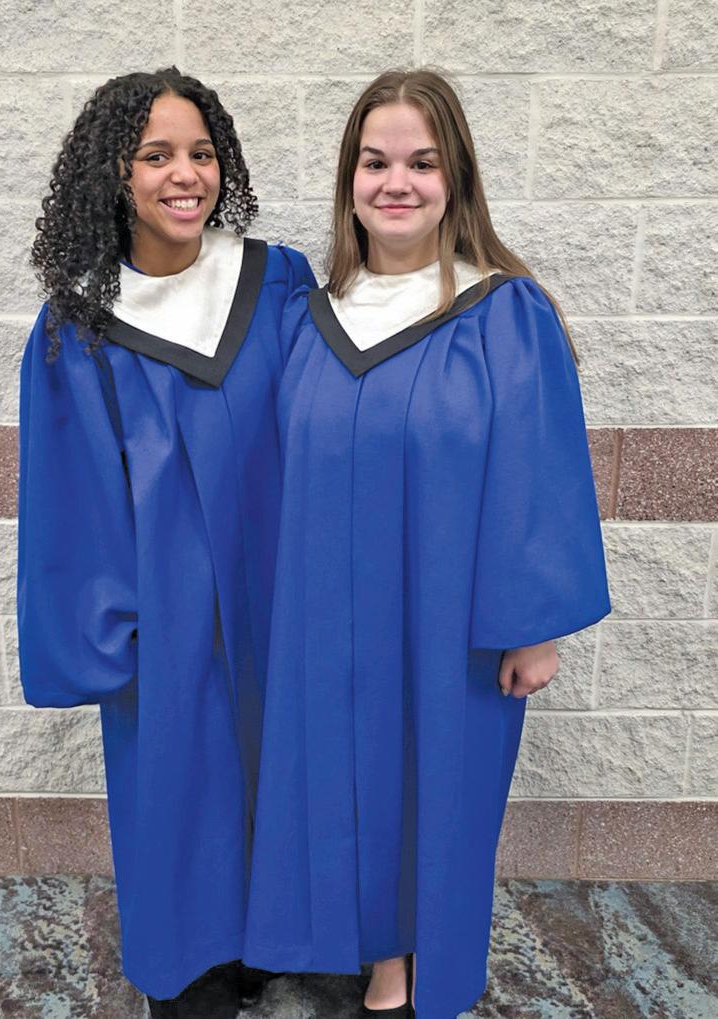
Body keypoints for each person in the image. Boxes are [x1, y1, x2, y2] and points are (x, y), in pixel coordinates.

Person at [243, 68, 610, 1018]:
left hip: (448, 622)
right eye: (374, 162)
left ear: (457, 179)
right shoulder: (308, 317)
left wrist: (533, 626)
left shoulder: (503, 312)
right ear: (348, 178)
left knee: (434, 794)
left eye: (421, 162)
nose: (395, 182)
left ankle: (409, 972)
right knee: (341, 785)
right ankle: (363, 953)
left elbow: (537, 472)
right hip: (327, 621)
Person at [17, 67, 314, 1018]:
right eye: (155, 155)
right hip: (171, 618)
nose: (184, 174)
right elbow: (74, 503)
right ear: (115, 173)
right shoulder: (80, 327)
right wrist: (114, 641)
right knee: (181, 800)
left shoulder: (277, 280)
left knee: (294, 774)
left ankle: (287, 946)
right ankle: (195, 977)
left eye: (200, 152)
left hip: (286, 597)